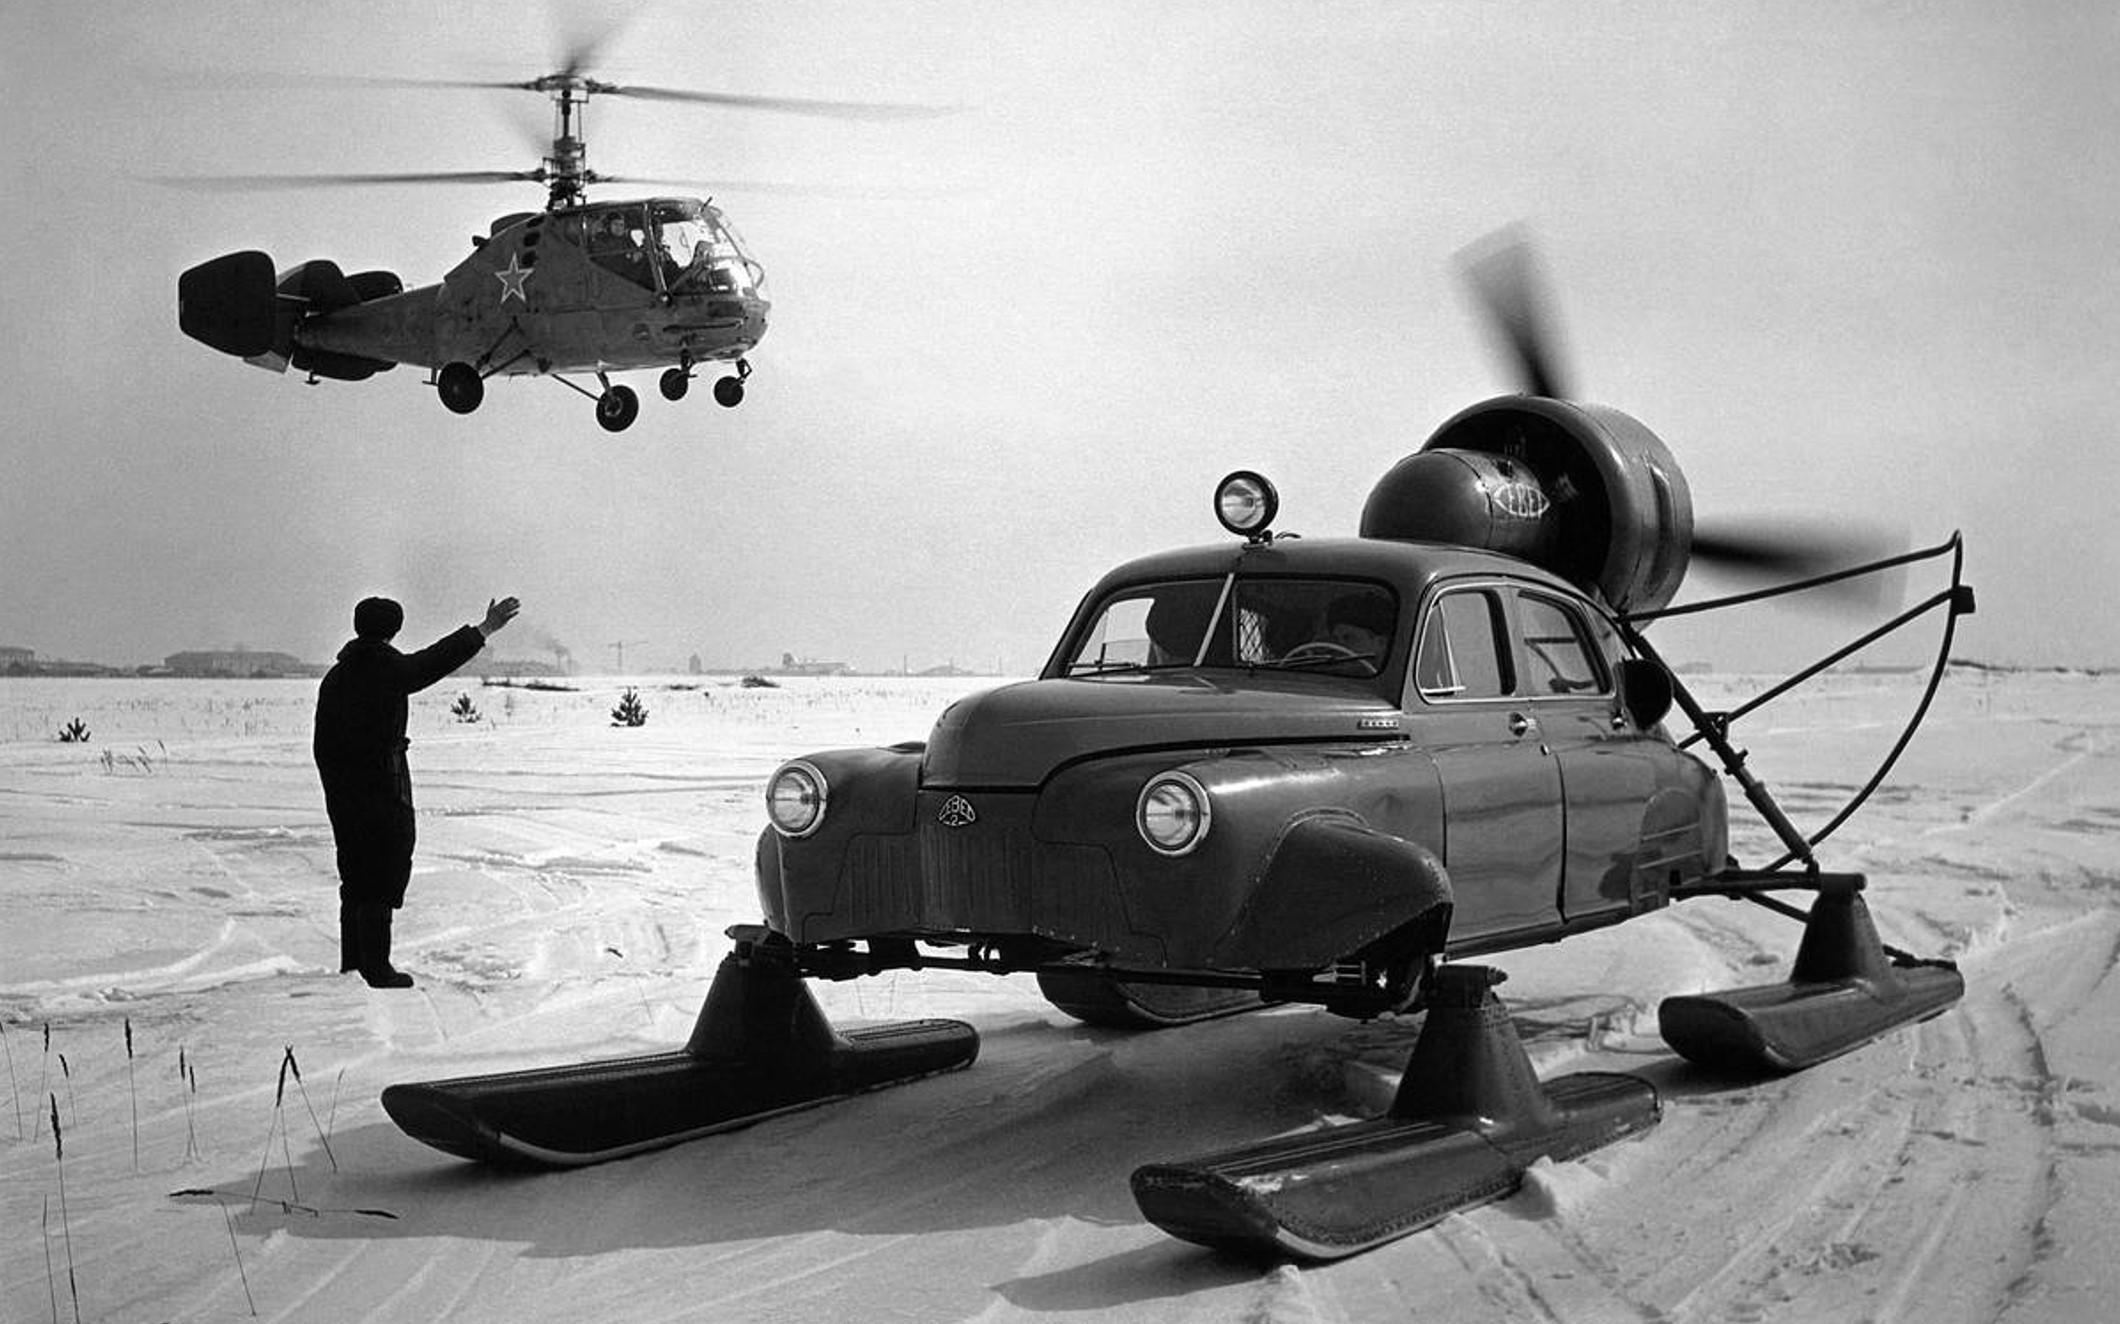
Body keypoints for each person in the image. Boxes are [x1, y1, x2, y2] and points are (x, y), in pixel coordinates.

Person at [314, 594, 519, 988]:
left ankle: (354, 964)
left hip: (344, 790)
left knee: (355, 874)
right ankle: (375, 967)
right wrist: (485, 629)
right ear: (394, 628)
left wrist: (338, 782)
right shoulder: (381, 666)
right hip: (379, 788)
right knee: (382, 869)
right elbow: (430, 663)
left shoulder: (338, 674)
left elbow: (322, 744)